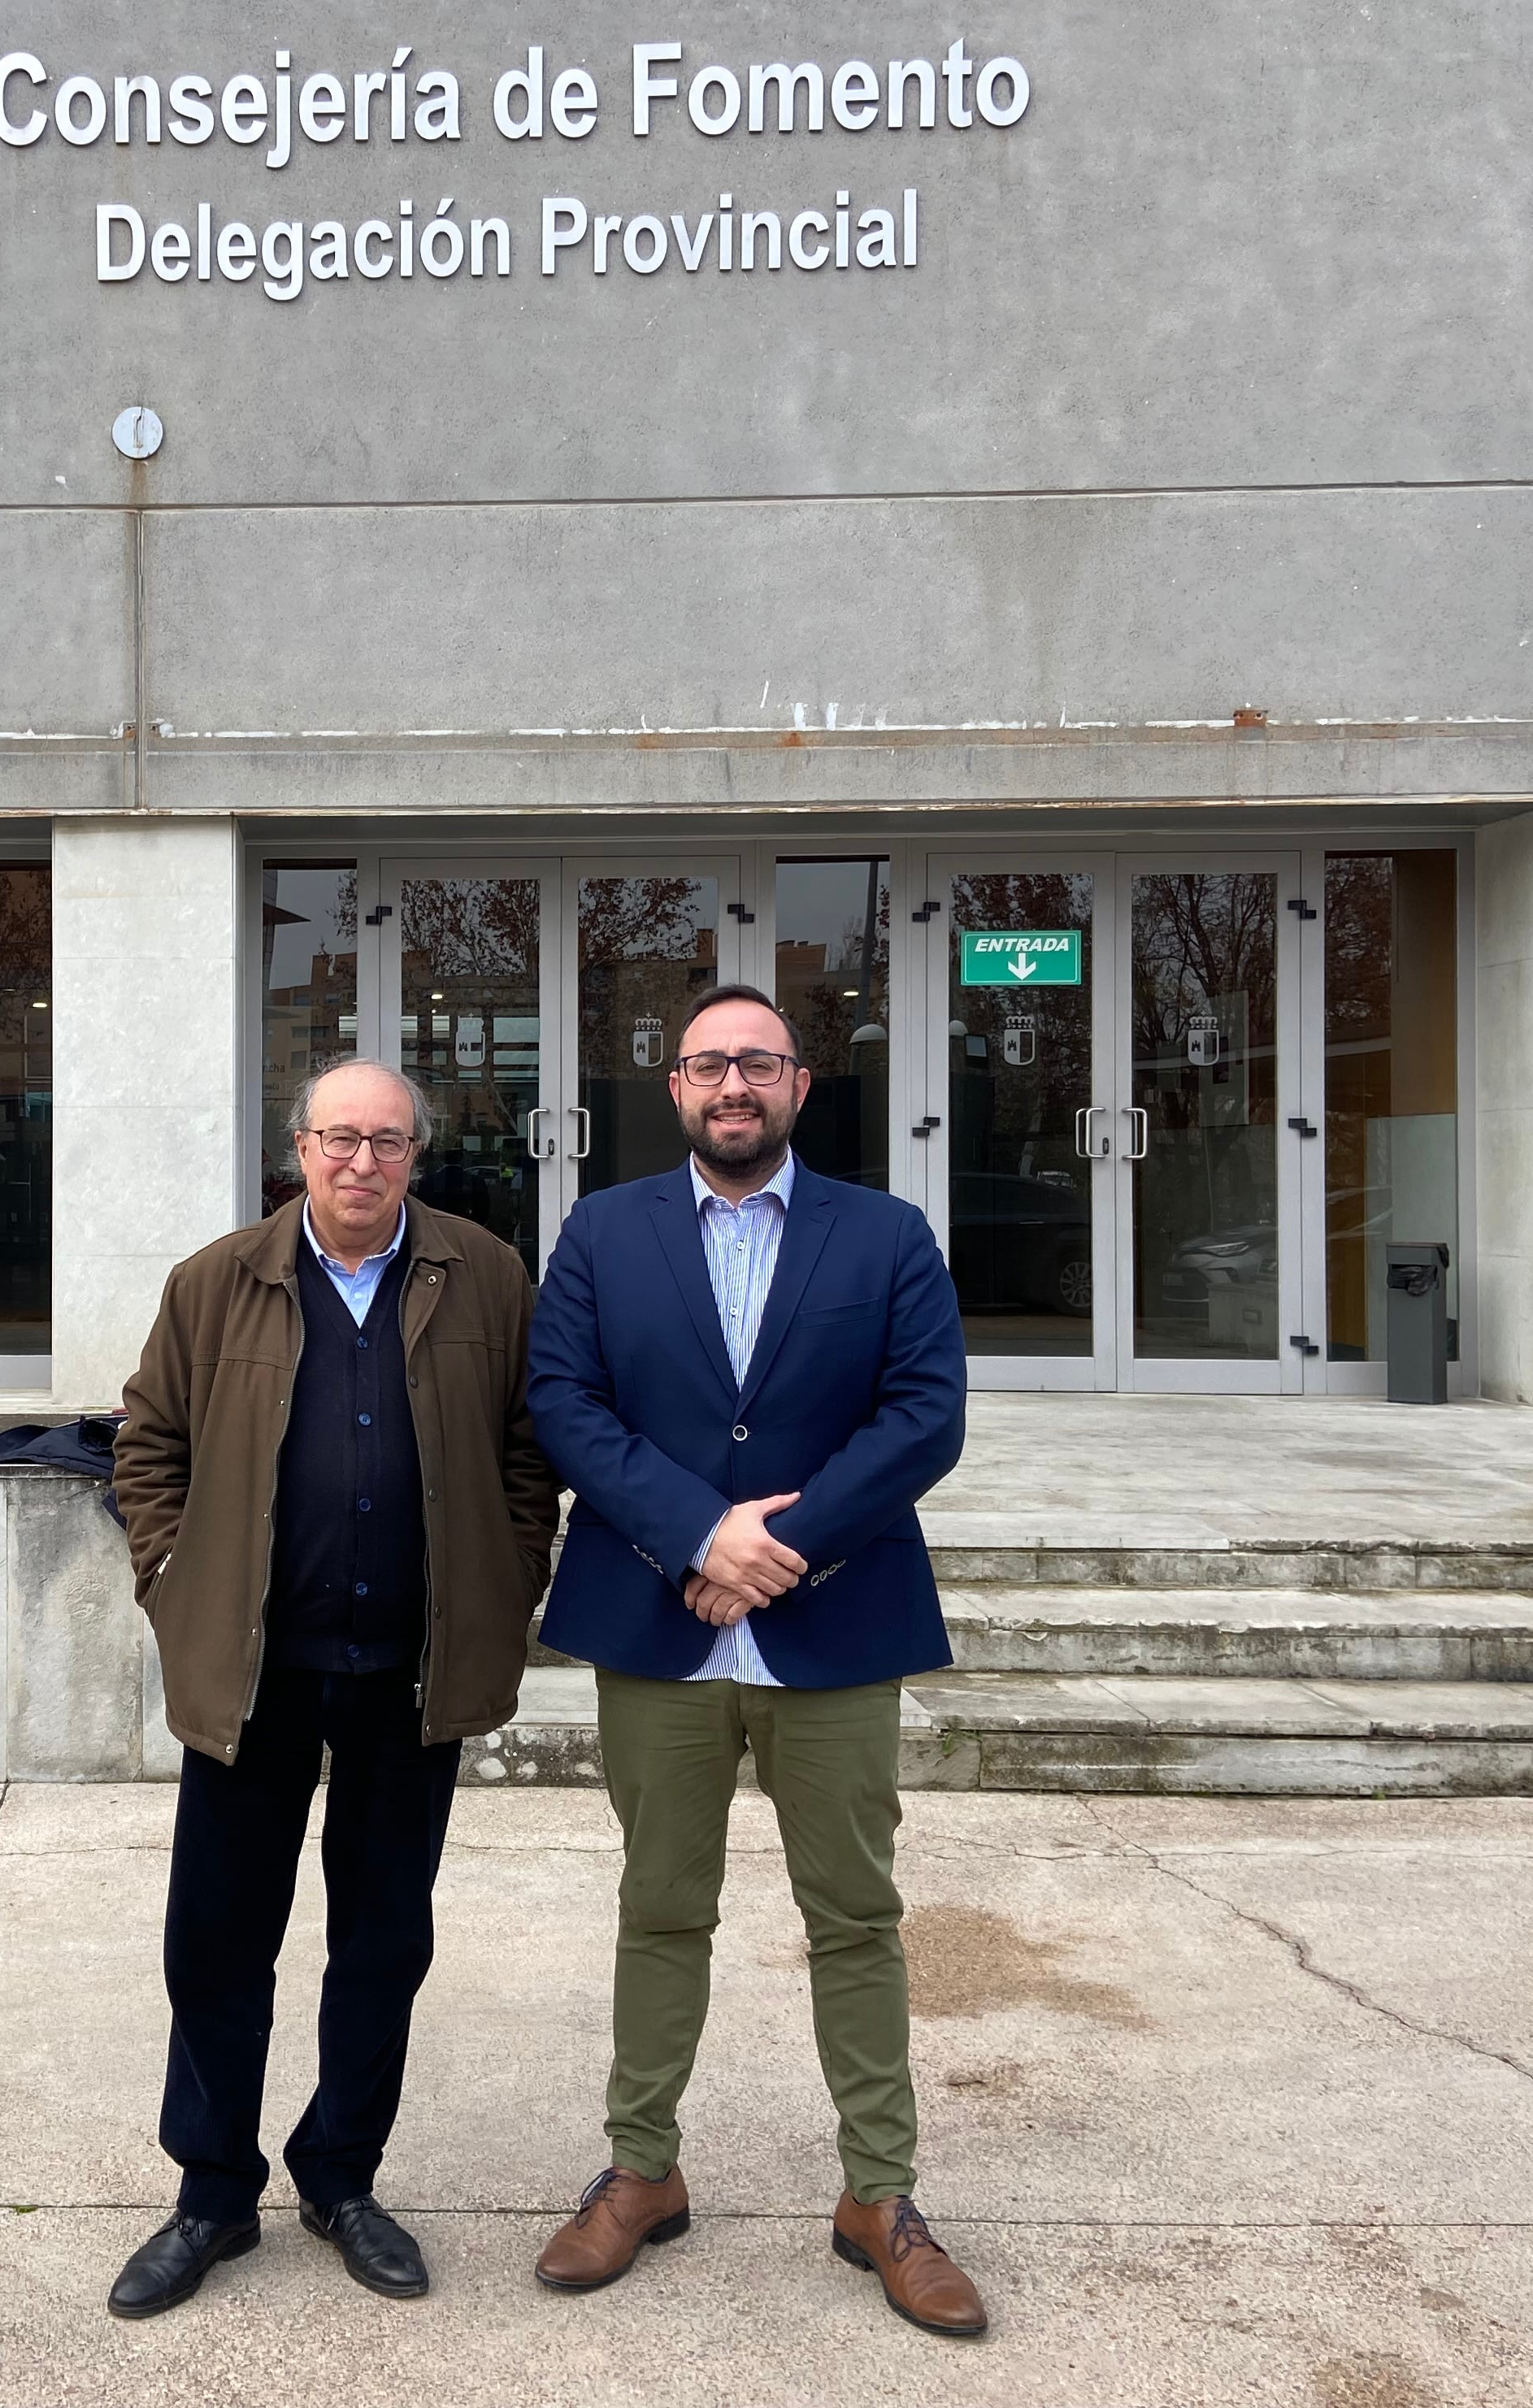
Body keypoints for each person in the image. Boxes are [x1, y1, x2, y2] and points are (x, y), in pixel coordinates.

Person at [523, 984, 987, 2338]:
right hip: (657, 1623)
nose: (735, 1083)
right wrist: (693, 1536)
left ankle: (879, 2199)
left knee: (856, 1915)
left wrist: (781, 1549)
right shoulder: (604, 1232)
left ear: (800, 1083)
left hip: (833, 1625)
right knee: (660, 1905)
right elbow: (564, 1402)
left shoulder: (887, 1234)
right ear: (674, 1087)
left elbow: (925, 1416)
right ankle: (642, 2170)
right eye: (709, 1063)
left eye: (760, 1063)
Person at [106, 1057, 560, 2319]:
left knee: (382, 1941)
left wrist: (509, 1577)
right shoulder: (217, 1281)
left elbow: (531, 1456)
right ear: (297, 1148)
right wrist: (171, 1575)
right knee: (217, 1941)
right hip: (253, 1680)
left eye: (388, 1143)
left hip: (408, 1681)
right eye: (338, 1140)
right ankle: (210, 2196)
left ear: (420, 1152)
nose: (362, 1163)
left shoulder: (485, 1276)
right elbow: (146, 1442)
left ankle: (342, 2177)